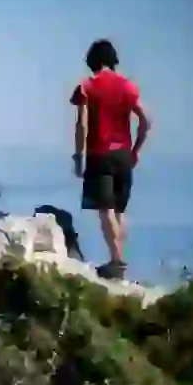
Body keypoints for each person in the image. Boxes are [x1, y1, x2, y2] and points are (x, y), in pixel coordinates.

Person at [69, 39, 151, 281]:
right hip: (124, 155)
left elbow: (81, 125)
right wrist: (136, 149)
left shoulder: (87, 86)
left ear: (92, 61)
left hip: (100, 155)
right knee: (119, 211)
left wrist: (77, 156)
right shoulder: (127, 87)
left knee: (105, 210)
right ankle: (118, 260)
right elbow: (146, 120)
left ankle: (117, 262)